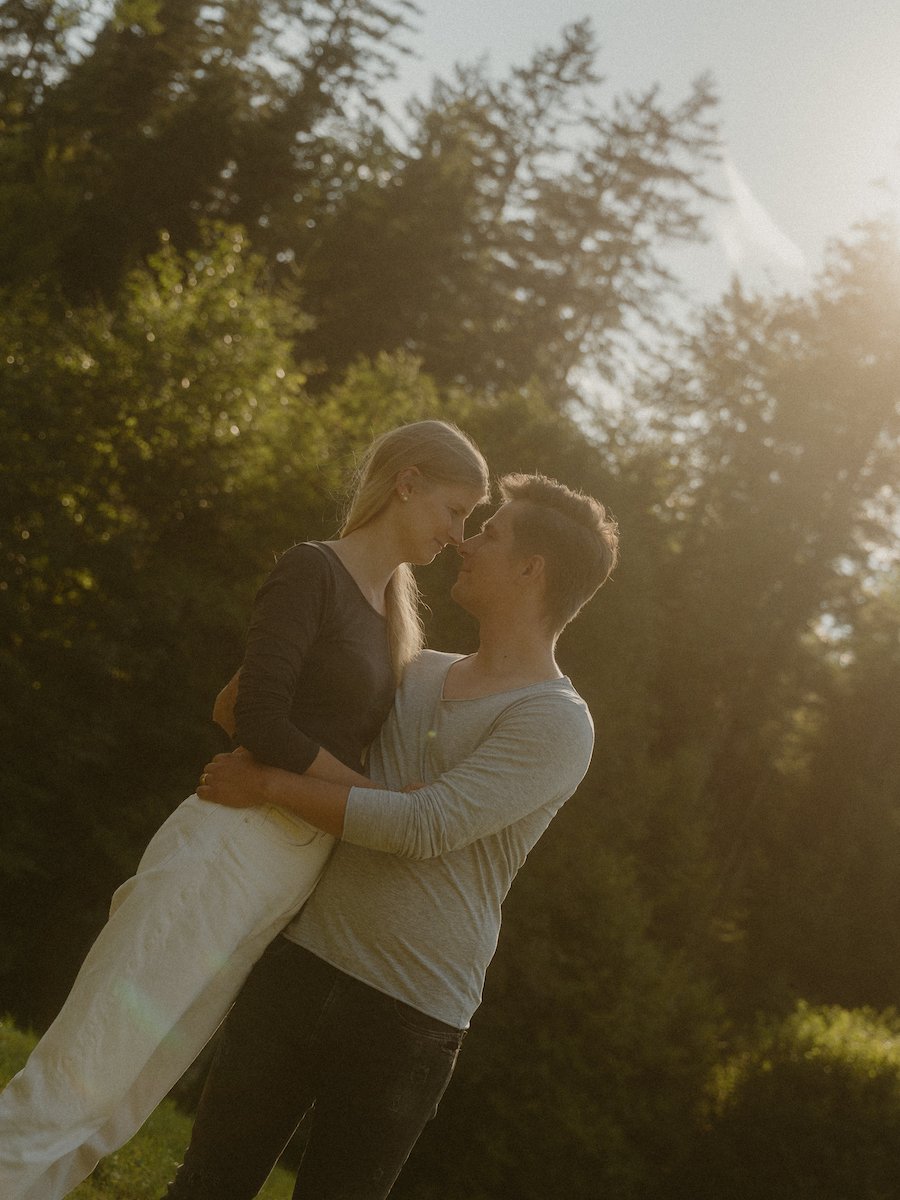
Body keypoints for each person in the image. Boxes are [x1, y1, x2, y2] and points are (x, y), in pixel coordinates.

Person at [0, 420, 489, 1200]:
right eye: (456, 510)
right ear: (408, 482)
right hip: (226, 849)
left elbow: (236, 703)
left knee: (122, 1106)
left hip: (279, 877)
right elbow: (257, 718)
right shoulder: (312, 571)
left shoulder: (390, 609)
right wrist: (373, 799)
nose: (459, 535)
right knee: (82, 1075)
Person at [164, 472, 620, 1199]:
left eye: (491, 533)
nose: (466, 543)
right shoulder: (414, 670)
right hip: (300, 960)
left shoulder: (558, 721)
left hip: (409, 1017)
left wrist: (271, 785)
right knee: (206, 1185)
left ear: (532, 570)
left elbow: (426, 826)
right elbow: (255, 715)